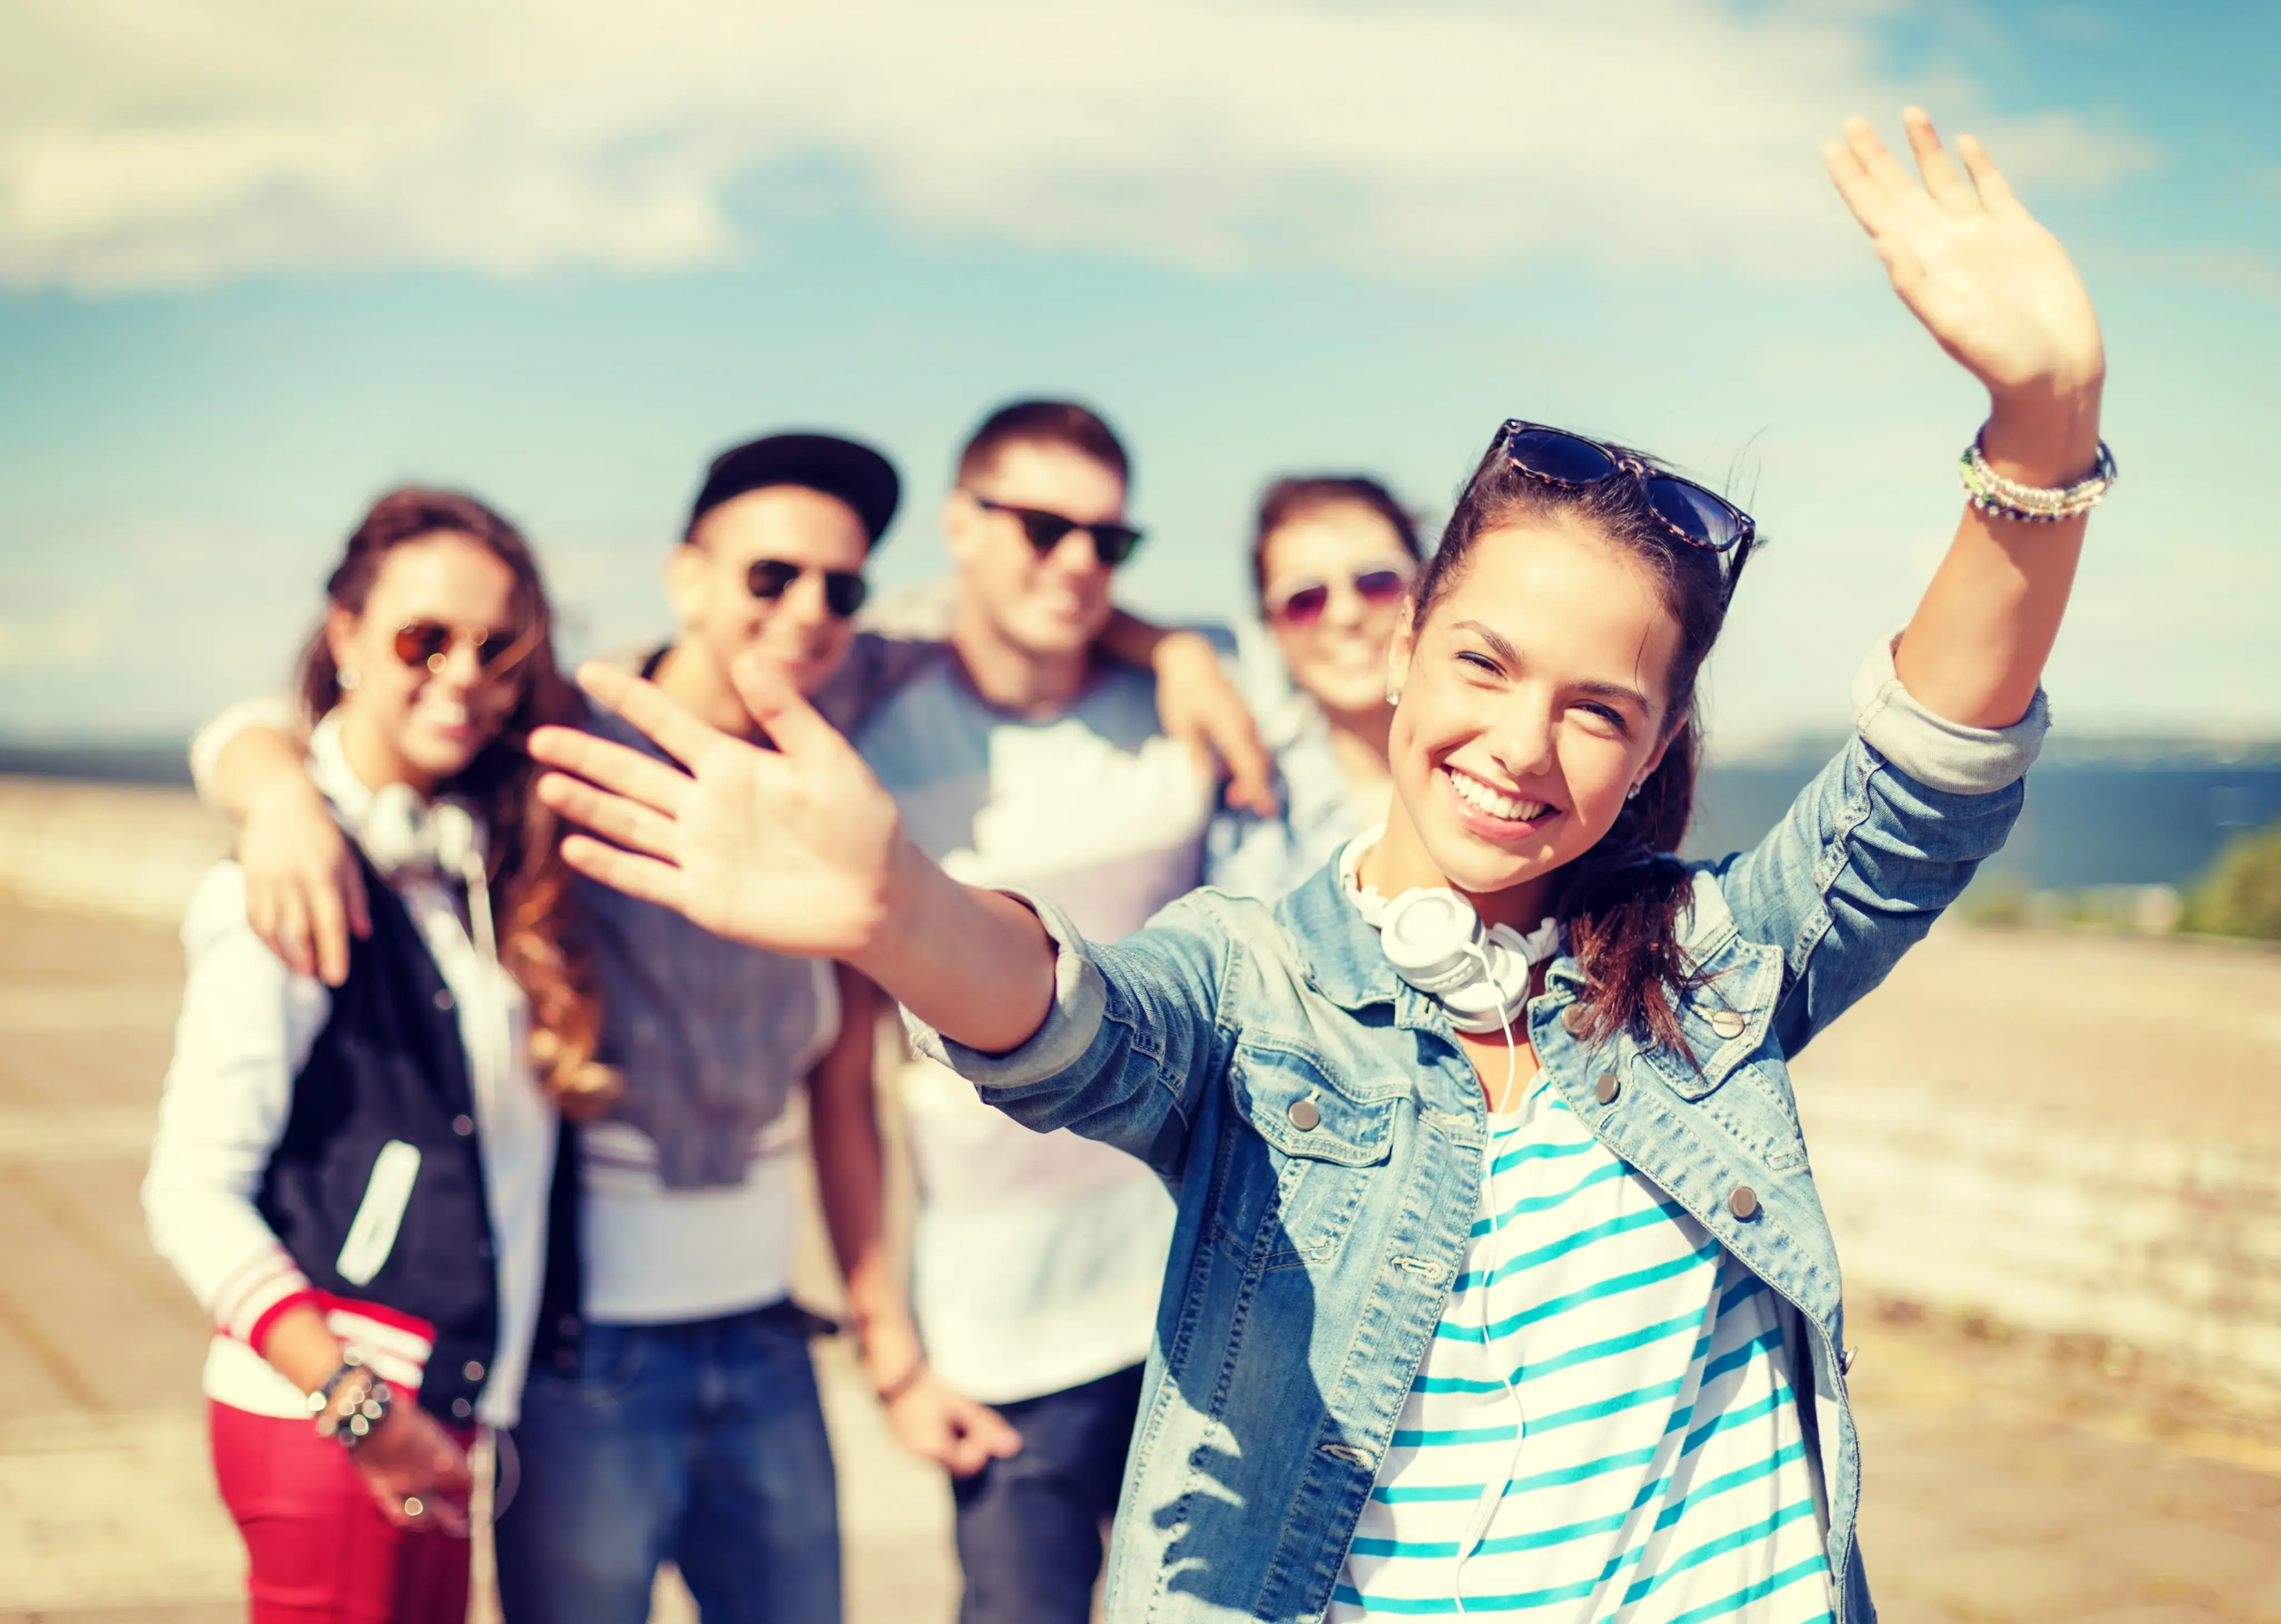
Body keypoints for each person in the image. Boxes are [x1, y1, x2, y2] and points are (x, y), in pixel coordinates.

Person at [524, 110, 2111, 1624]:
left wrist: (2043, 423)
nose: (1522, 743)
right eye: (1484, 665)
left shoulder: (1712, 959)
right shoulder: (1256, 981)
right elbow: (1085, 1026)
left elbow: (1925, 770)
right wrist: (903, 914)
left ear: (1653, 746)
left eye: (1597, 709)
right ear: (1407, 656)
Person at [188, 428, 1269, 1623]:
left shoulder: (844, 695)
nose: (807, 610)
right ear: (686, 575)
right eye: (769, 577)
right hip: (586, 1351)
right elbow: (381, 707)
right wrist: (269, 783)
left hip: (766, 1338)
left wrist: (1167, 645)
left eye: (839, 586)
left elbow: (1019, 615)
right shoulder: (566, 734)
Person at [144, 488, 603, 1623]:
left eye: (498, 647)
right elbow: (189, 1193)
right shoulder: (287, 882)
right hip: (340, 1420)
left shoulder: (465, 865)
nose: (465, 673)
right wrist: (357, 1408)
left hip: (426, 1416)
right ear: (344, 634)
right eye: (422, 637)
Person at [849, 400, 1245, 1623]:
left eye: (1107, 542)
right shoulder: (865, 732)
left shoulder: (1195, 698)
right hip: (1000, 1335)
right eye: (1041, 528)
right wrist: (889, 1349)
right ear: (960, 526)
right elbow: (839, 1071)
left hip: (1208, 1296)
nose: (1077, 563)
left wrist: (1174, 649)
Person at [1207, 476, 1423, 899]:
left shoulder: (1502, 763)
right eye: (1304, 599)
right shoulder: (1254, 789)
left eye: (1378, 581)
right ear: (1271, 628)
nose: (1346, 614)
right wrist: (1178, 656)